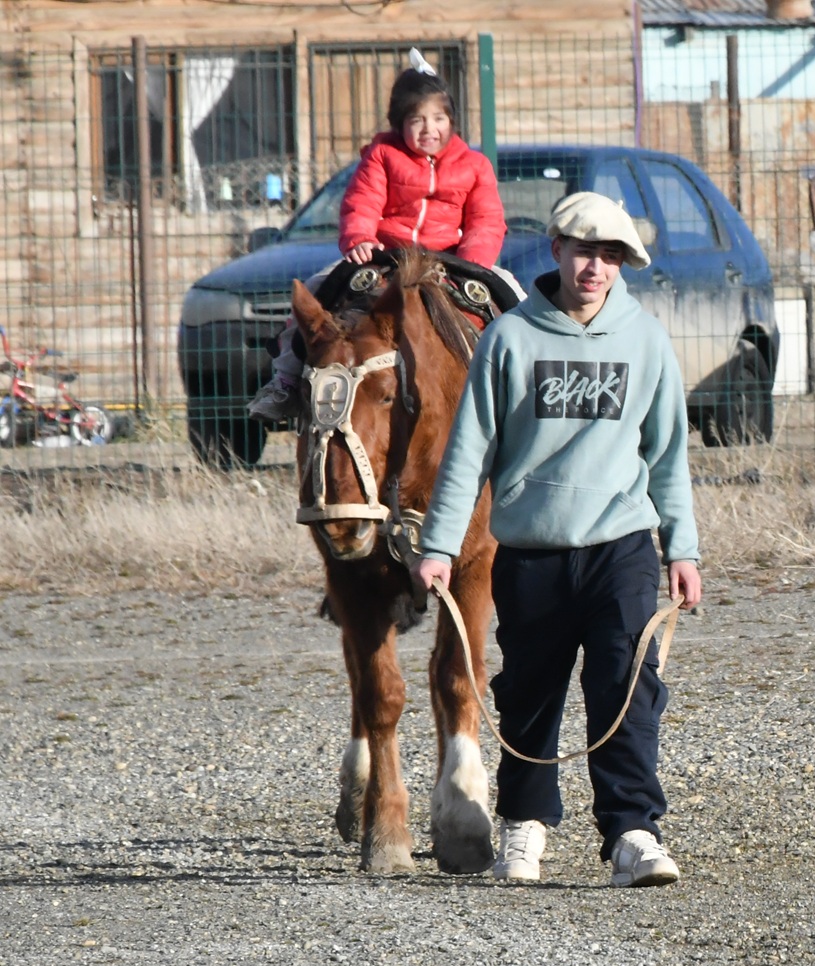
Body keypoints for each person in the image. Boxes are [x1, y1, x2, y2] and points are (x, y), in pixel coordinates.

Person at [414, 192, 701, 888]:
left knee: (626, 687)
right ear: (556, 251)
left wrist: (682, 548)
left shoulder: (647, 340)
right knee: (531, 693)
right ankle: (525, 826)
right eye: (583, 251)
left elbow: (667, 455)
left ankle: (633, 832)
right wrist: (441, 544)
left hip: (622, 545)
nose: (594, 267)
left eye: (610, 255)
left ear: (623, 262)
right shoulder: (510, 339)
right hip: (533, 550)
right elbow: (468, 451)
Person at [249, 51, 506, 422]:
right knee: (317, 289)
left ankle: (522, 390)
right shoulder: (381, 156)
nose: (428, 129)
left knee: (512, 295)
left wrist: (474, 262)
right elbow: (361, 203)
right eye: (416, 120)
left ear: (452, 121)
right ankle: (286, 381)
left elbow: (487, 219)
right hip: (385, 256)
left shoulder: (476, 165)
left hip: (452, 259)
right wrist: (360, 239)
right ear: (399, 123)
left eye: (438, 119)